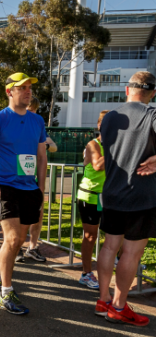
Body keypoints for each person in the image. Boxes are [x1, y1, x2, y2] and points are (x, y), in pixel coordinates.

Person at [95, 72, 156, 327]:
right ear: (152, 93)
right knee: (132, 251)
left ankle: (103, 300)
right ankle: (119, 307)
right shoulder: (151, 114)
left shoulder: (110, 117)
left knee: (109, 246)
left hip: (112, 193)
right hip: (141, 196)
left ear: (127, 89)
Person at [0, 72, 47, 315]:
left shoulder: (37, 121)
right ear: (9, 91)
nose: (28, 91)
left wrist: (41, 189)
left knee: (20, 240)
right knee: (11, 240)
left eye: (30, 87)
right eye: (22, 87)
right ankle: (5, 292)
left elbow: (41, 157)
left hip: (30, 188)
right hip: (6, 186)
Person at [75, 110, 109, 289]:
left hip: (109, 196)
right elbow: (97, 166)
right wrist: (116, 149)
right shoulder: (93, 144)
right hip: (90, 195)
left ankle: (115, 260)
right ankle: (86, 273)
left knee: (118, 234)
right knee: (90, 236)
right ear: (99, 126)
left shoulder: (115, 144)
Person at [24, 96, 58, 263]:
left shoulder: (37, 125)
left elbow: (53, 146)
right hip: (17, 178)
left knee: (38, 213)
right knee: (18, 216)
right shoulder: (15, 123)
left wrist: (45, 145)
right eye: (29, 109)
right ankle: (15, 247)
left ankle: (32, 246)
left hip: (35, 178)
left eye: (35, 110)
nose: (33, 113)